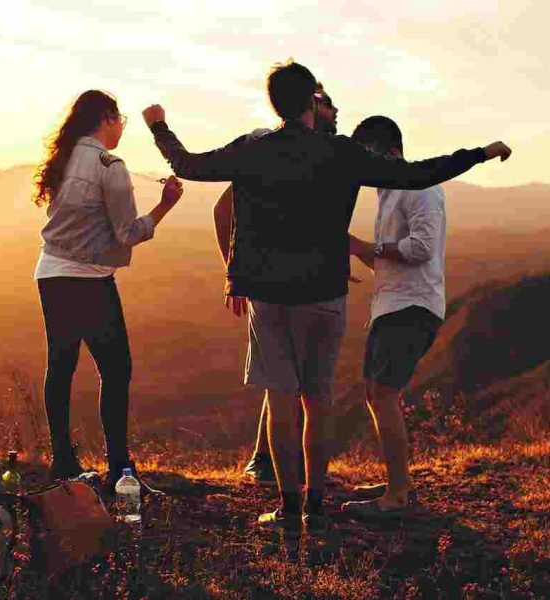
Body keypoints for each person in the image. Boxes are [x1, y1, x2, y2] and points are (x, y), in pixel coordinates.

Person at [142, 60, 511, 536]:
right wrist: (479, 152)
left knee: (281, 401)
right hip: (324, 293)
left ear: (274, 103)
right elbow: (418, 174)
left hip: (269, 295)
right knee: (318, 402)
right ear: (311, 104)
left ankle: (290, 510)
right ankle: (316, 506)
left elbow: (189, 165)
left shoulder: (253, 149)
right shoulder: (340, 153)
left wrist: (159, 127)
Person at [32, 89, 183, 495]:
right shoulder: (109, 165)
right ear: (108, 118)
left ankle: (63, 463)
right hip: (90, 280)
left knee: (60, 366)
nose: (121, 129)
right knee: (116, 370)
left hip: (50, 273)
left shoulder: (63, 159)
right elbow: (127, 232)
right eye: (121, 121)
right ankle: (120, 471)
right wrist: (166, 204)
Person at [212, 83, 346, 486]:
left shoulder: (325, 154)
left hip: (309, 284)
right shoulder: (267, 149)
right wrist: (234, 273)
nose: (337, 111)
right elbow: (223, 210)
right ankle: (273, 470)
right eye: (327, 104)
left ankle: (288, 485)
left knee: (290, 385)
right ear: (308, 107)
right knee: (289, 387)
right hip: (276, 287)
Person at [341, 116, 452, 515]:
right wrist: (357, 250)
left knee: (383, 395)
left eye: (365, 155)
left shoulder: (419, 187)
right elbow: (392, 257)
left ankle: (397, 496)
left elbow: (421, 248)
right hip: (392, 304)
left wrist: (366, 245)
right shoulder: (388, 193)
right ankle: (397, 481)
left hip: (413, 306)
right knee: (376, 393)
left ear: (388, 152)